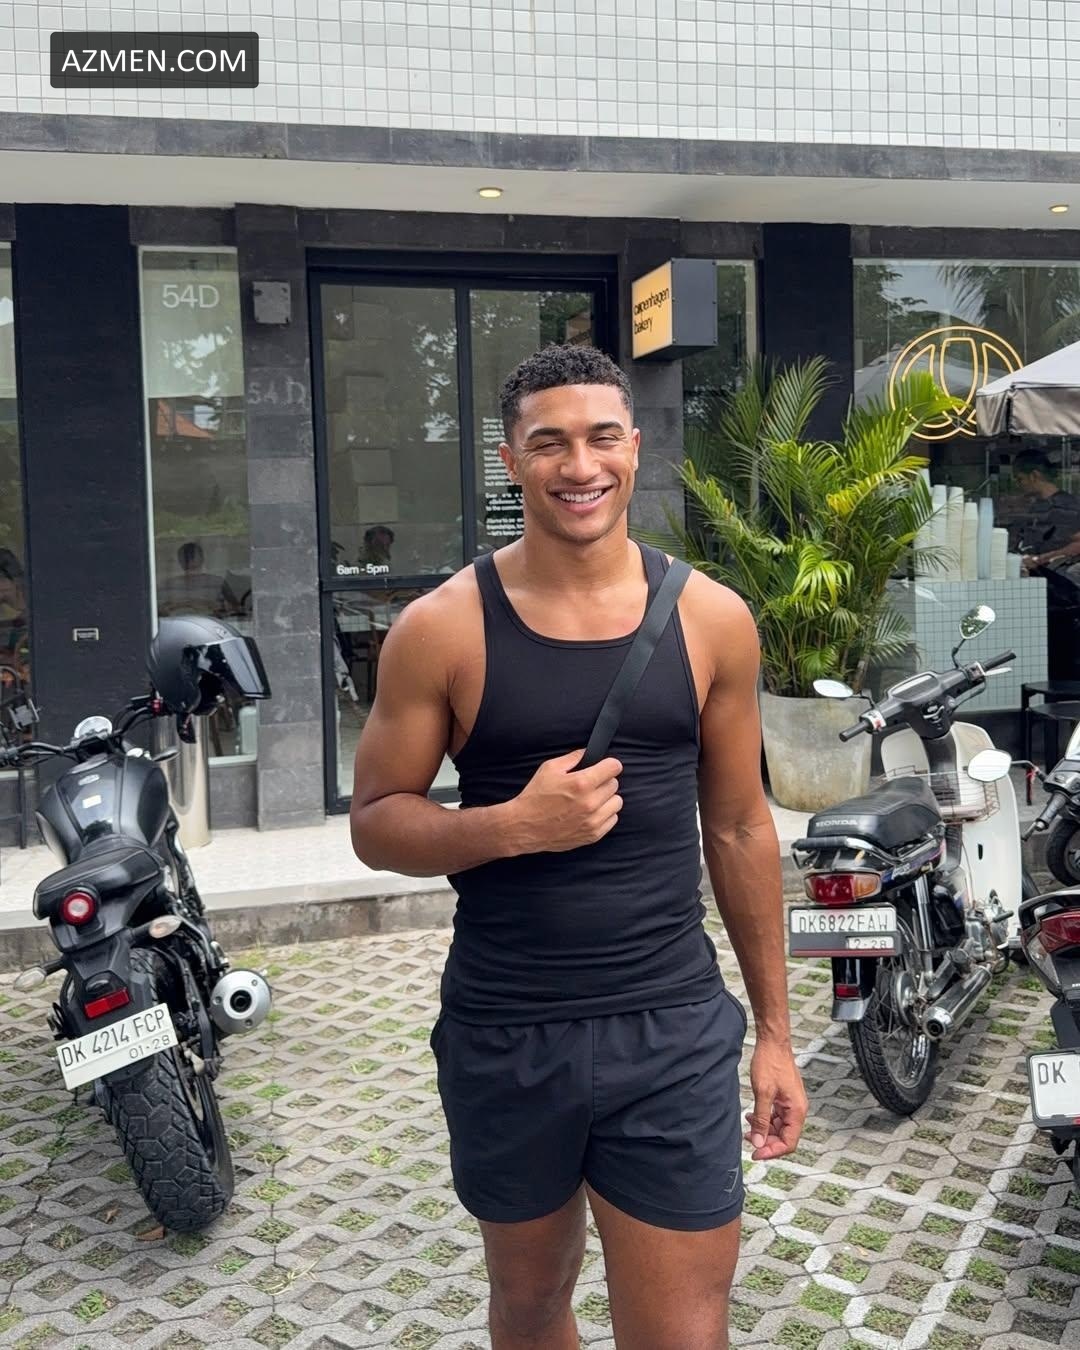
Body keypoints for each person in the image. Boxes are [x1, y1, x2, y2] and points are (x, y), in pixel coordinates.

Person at [350, 344, 806, 1349]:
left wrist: (775, 1033)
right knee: (528, 1305)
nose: (580, 465)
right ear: (511, 461)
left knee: (684, 1332)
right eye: (549, 443)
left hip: (670, 1025)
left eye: (602, 438)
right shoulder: (442, 629)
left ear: (635, 448)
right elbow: (376, 820)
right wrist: (511, 826)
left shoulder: (712, 620)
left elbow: (739, 825)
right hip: (506, 1028)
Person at [1008, 451, 1080, 570]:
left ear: (1034, 476)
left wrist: (1040, 559)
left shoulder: (1064, 506)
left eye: (1020, 479)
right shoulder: (1039, 506)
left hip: (1058, 575)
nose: (1018, 485)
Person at [157, 541, 238, 618]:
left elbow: (235, 608)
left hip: (209, 624)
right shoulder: (167, 585)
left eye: (193, 557)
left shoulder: (218, 583)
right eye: (187, 559)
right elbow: (158, 611)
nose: (191, 562)